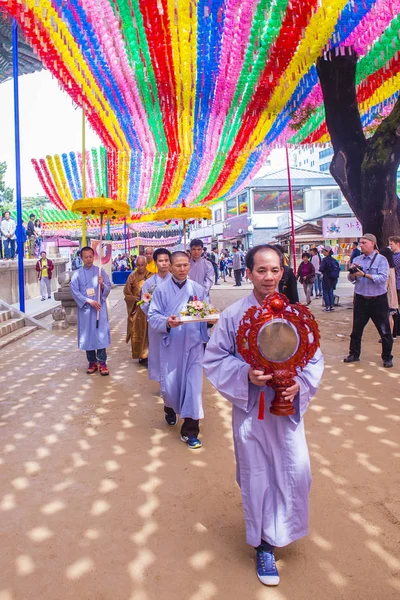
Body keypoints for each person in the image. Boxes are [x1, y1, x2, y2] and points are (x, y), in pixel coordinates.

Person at [203, 244, 324, 587]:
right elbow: (214, 358)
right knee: (257, 476)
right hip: (253, 410)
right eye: (261, 271)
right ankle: (263, 545)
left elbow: (313, 357)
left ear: (282, 272)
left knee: (295, 470)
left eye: (274, 270)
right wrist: (245, 374)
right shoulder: (234, 315)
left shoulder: (295, 314)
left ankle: (283, 528)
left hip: (285, 410)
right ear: (249, 273)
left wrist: (299, 383)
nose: (268, 278)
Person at [148, 251, 209, 449]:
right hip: (172, 343)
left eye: (185, 265)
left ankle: (191, 431)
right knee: (171, 387)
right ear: (170, 267)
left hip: (193, 345)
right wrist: (167, 322)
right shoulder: (161, 290)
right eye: (178, 266)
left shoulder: (197, 289)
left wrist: (209, 322)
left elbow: (205, 313)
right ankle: (169, 407)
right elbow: (152, 316)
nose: (182, 269)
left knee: (193, 388)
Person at [344, 233, 393, 368]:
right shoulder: (358, 259)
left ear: (372, 243)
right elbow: (351, 279)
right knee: (356, 330)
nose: (361, 245)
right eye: (360, 243)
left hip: (378, 300)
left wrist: (365, 274)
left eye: (364, 243)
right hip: (361, 299)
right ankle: (354, 354)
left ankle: (387, 357)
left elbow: (383, 278)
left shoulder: (381, 260)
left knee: (384, 331)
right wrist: (353, 274)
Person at [70, 246, 111, 376]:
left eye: (90, 256)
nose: (88, 259)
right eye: (86, 257)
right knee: (88, 335)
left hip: (98, 308)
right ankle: (92, 362)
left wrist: (103, 284)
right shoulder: (76, 274)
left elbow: (108, 286)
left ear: (94, 257)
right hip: (86, 310)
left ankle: (103, 362)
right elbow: (74, 291)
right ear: (81, 258)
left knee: (100, 335)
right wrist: (88, 301)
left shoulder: (100, 271)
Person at [140, 248, 172, 381]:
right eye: (160, 261)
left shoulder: (177, 280)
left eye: (166, 260)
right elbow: (143, 304)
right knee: (158, 352)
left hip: (174, 323)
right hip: (157, 323)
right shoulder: (149, 283)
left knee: (173, 352)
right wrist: (155, 316)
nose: (164, 263)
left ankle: (173, 381)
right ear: (155, 262)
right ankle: (161, 381)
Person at [123, 255, 152, 363]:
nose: (140, 267)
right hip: (137, 309)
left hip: (149, 308)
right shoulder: (132, 276)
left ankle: (150, 355)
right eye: (138, 265)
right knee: (138, 332)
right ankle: (141, 355)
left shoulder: (151, 276)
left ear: (146, 265)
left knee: (150, 333)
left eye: (142, 265)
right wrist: (133, 298)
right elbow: (126, 292)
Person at [379, 247, 398, 338]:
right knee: (389, 315)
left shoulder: (387, 269)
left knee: (388, 316)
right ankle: (390, 334)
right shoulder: (392, 268)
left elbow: (385, 283)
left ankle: (388, 335)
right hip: (391, 294)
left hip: (387, 295)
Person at [319, 246, 340, 312]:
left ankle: (327, 307)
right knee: (331, 292)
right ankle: (332, 306)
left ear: (327, 252)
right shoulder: (334, 260)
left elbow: (321, 269)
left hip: (326, 278)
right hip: (333, 279)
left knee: (325, 292)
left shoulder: (325, 260)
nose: (323, 252)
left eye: (324, 251)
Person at [388, 236, 400, 304]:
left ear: (397, 244)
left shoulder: (397, 256)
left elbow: (393, 266)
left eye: (391, 244)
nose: (390, 246)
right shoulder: (393, 255)